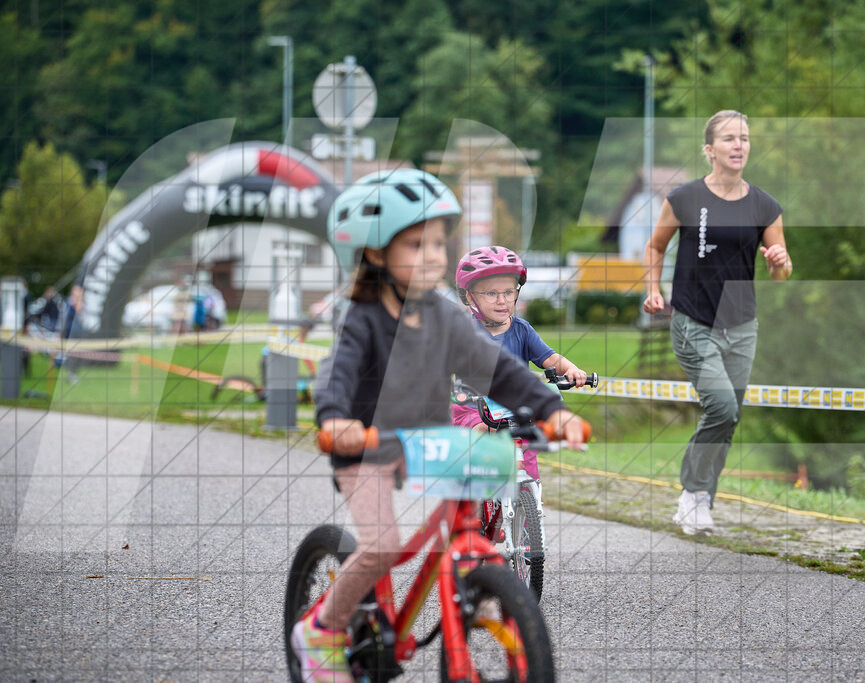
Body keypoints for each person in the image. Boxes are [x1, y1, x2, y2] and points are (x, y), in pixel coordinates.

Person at [291, 168, 586, 682]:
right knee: (383, 544)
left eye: (437, 243)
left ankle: (473, 602)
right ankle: (320, 629)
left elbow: (499, 372)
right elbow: (338, 376)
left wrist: (551, 409)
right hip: (366, 444)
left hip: (428, 438)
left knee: (466, 529)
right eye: (415, 244)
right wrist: (336, 421)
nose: (431, 255)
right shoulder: (362, 316)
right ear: (376, 255)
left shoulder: (448, 318)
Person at [642, 110, 792, 536]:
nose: (738, 145)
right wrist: (653, 289)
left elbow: (781, 272)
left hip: (742, 325)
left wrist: (781, 262)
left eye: (743, 138)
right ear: (710, 150)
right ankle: (692, 494)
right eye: (728, 138)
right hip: (693, 321)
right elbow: (655, 247)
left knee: (728, 416)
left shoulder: (765, 205)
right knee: (721, 406)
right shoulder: (685, 199)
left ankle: (702, 498)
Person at [452, 245, 589, 479]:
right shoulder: (464, 332)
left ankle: (529, 504)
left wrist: (572, 369)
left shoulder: (522, 330)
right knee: (480, 434)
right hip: (474, 408)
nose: (502, 301)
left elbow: (552, 359)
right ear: (470, 296)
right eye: (491, 294)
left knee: (528, 465)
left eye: (508, 292)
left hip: (516, 410)